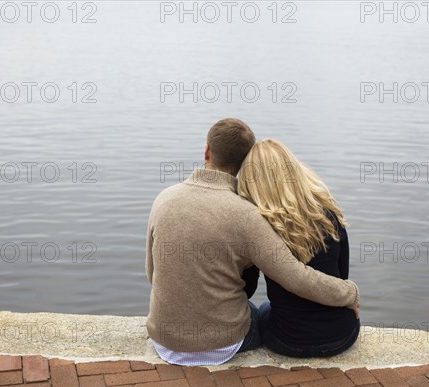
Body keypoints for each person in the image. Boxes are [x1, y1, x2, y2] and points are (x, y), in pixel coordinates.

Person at [145, 119, 359, 366]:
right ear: (246, 163)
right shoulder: (248, 216)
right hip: (222, 345)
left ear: (207, 151)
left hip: (164, 339)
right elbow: (296, 278)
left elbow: (152, 274)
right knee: (260, 311)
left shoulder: (163, 199)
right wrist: (351, 292)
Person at [237, 139, 360, 357]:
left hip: (288, 340)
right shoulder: (327, 213)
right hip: (342, 334)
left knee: (262, 309)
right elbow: (342, 275)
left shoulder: (261, 226)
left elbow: (248, 289)